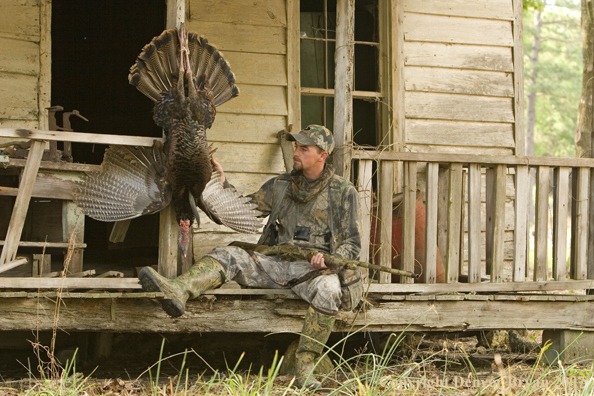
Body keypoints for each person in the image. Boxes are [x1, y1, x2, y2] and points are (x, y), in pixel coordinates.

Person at [138, 125, 363, 390]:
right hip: (276, 266)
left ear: (323, 156)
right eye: (295, 146)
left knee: (329, 289)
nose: (296, 152)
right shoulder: (280, 185)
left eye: (304, 148)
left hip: (314, 274)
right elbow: (246, 209)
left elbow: (352, 243)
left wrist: (330, 260)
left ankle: (305, 362)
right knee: (229, 254)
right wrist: (222, 185)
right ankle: (177, 289)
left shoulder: (343, 192)